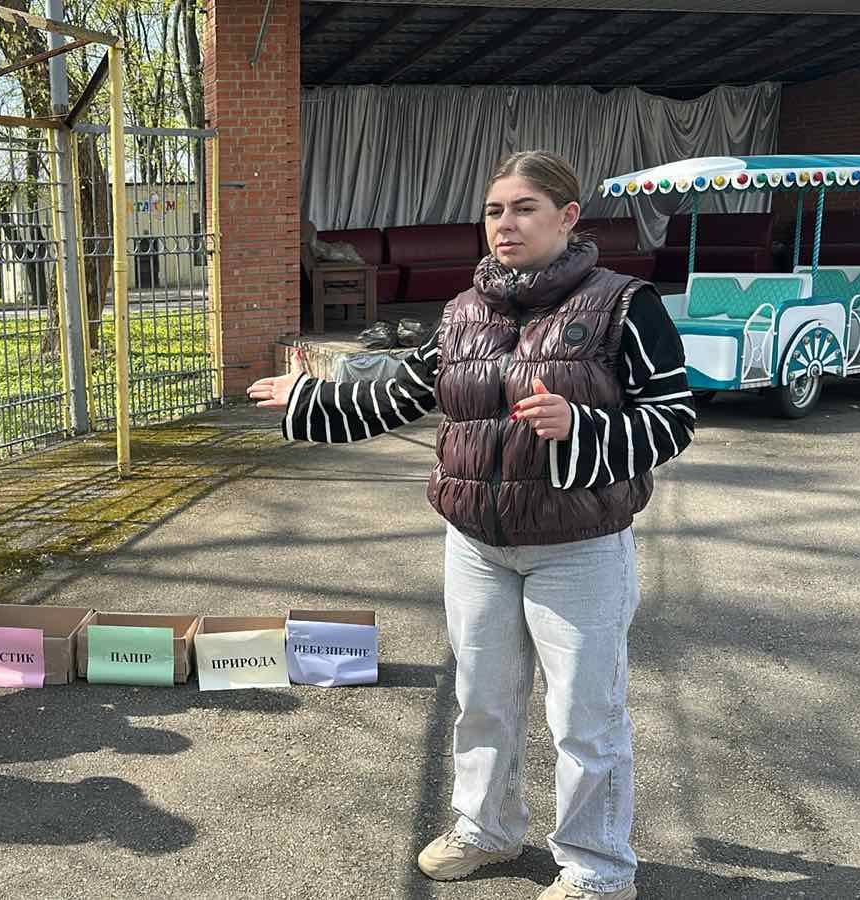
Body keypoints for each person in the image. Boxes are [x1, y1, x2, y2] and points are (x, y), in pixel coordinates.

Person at [249, 151, 696, 900]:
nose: (505, 224)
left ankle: (597, 867)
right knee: (483, 701)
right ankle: (487, 829)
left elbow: (673, 418)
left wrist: (582, 426)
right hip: (477, 548)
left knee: (584, 717)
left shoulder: (625, 305)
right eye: (494, 210)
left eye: (524, 208)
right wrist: (308, 399)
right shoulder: (461, 312)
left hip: (578, 549)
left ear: (567, 217)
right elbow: (398, 395)